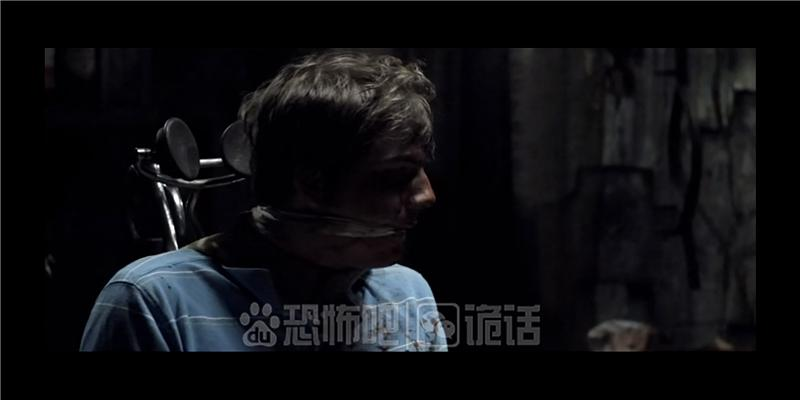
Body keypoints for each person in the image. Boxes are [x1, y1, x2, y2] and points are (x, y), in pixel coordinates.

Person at [80, 52, 448, 351]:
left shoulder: (407, 293)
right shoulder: (152, 303)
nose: (426, 195)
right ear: (311, 184)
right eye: (396, 176)